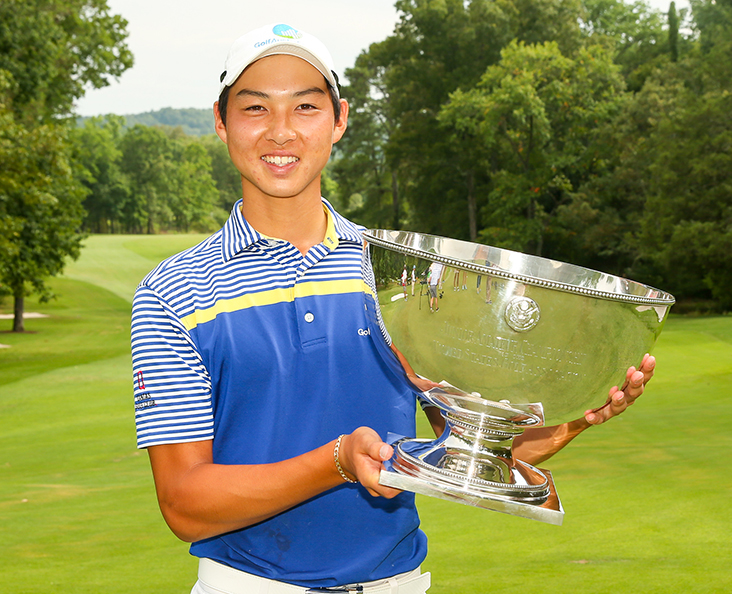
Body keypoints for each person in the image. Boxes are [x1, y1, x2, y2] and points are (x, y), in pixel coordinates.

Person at [130, 22, 656, 594]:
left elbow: (451, 443)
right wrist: (335, 460)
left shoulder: (401, 273)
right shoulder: (173, 292)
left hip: (397, 584)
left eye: (306, 107)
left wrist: (546, 427)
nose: (280, 131)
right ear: (220, 121)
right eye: (255, 108)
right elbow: (184, 504)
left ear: (339, 120)